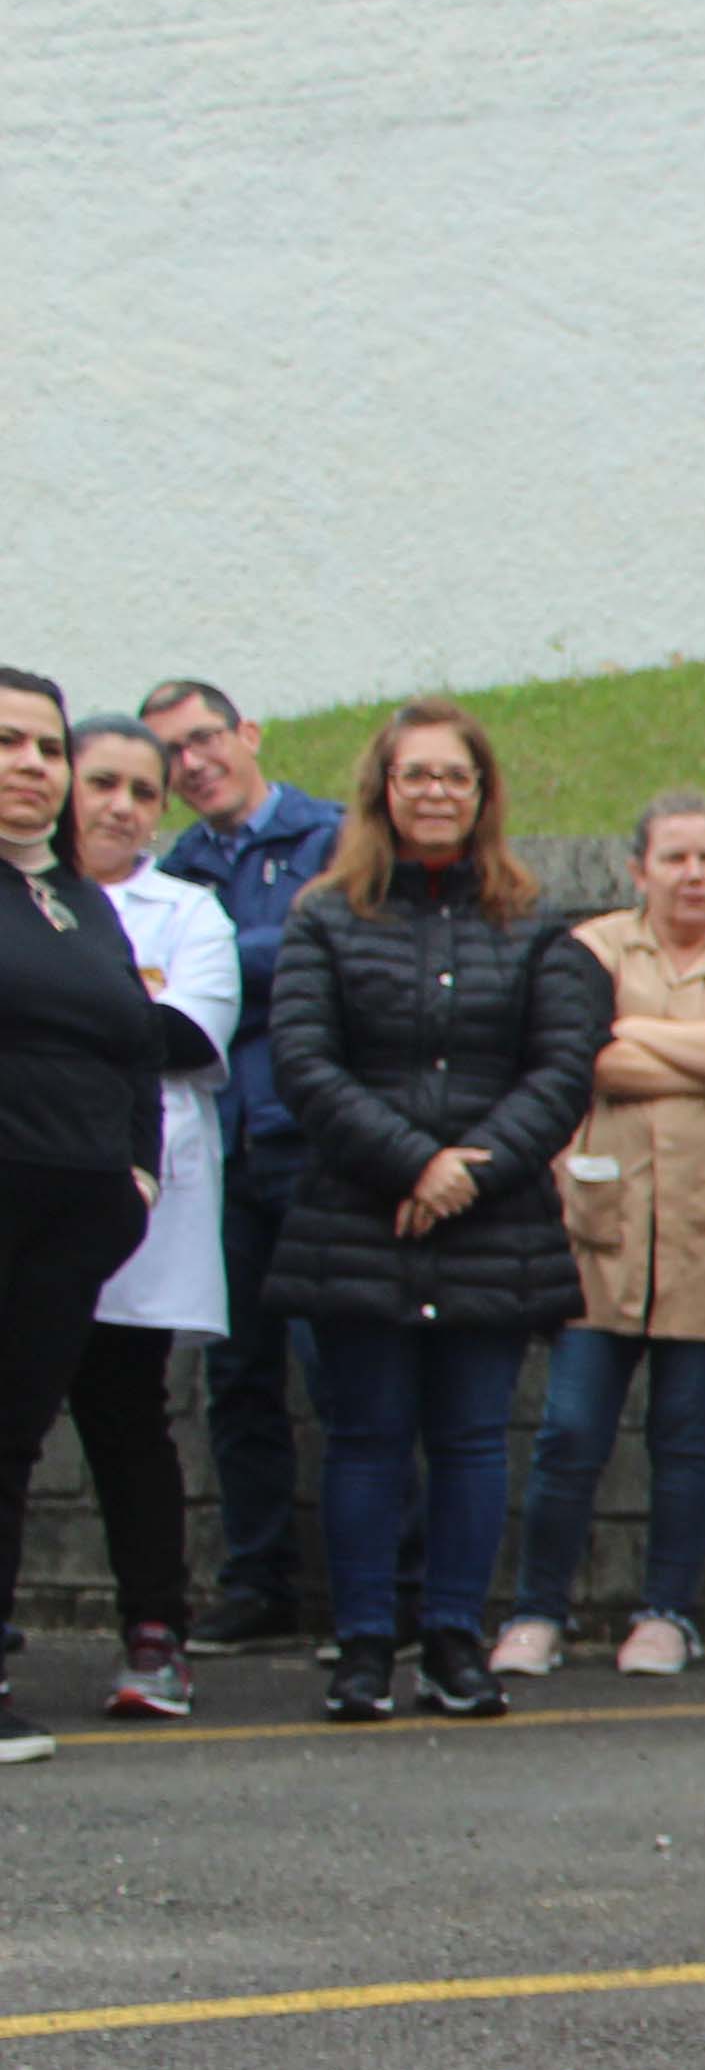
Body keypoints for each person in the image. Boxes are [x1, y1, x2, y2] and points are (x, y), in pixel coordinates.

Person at [263, 701, 611, 1723]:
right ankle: (366, 1642)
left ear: (482, 794)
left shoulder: (533, 924)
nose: (435, 793)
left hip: (490, 1224)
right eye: (415, 775)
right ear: (383, 789)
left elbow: (561, 1069)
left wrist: (471, 1169)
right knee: (365, 1438)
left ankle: (456, 1639)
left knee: (469, 1440)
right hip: (359, 1216)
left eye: (454, 776)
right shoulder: (324, 918)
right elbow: (304, 1064)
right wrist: (414, 1164)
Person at [494, 794, 705, 1680]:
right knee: (571, 1430)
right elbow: (583, 1054)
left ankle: (667, 1613)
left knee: (685, 1437)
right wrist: (695, 1052)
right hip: (603, 1229)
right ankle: (538, 1613)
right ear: (638, 870)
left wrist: (634, 1036)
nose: (693, 874)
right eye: (674, 858)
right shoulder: (589, 949)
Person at [140, 678, 342, 1649]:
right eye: (172, 752)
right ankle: (257, 1584)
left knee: (345, 1373)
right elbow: (159, 993)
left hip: (313, 1145)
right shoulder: (170, 864)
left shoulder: (333, 838)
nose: (193, 763)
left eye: (206, 738)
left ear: (249, 733)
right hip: (219, 1155)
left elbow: (333, 953)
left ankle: (376, 1589)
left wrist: (213, 965)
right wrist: (260, 951)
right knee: (239, 1382)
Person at [50, 723, 239, 1722]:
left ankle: (155, 1634)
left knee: (129, 1424)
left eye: (144, 790)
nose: (122, 805)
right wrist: (117, 1002)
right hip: (24, 1190)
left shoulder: (191, 912)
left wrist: (52, 1006)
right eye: (102, 782)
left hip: (138, 1204)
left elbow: (180, 1032)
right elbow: (135, 1018)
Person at [0, 675, 170, 1765]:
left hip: (74, 1216)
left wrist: (137, 1180)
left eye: (47, 748)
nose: (32, 764)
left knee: (10, 1444)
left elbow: (138, 1050)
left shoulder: (81, 897)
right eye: (7, 742)